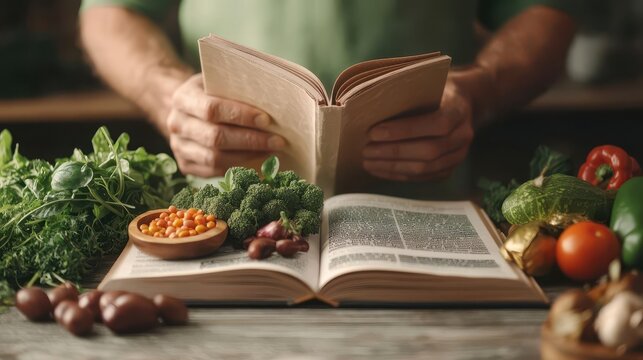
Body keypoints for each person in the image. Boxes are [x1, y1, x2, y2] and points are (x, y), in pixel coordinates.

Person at [79, 0, 576, 197]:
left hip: (427, 214)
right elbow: (108, 11)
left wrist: (479, 91)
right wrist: (170, 95)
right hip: (222, 211)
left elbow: (547, 13)